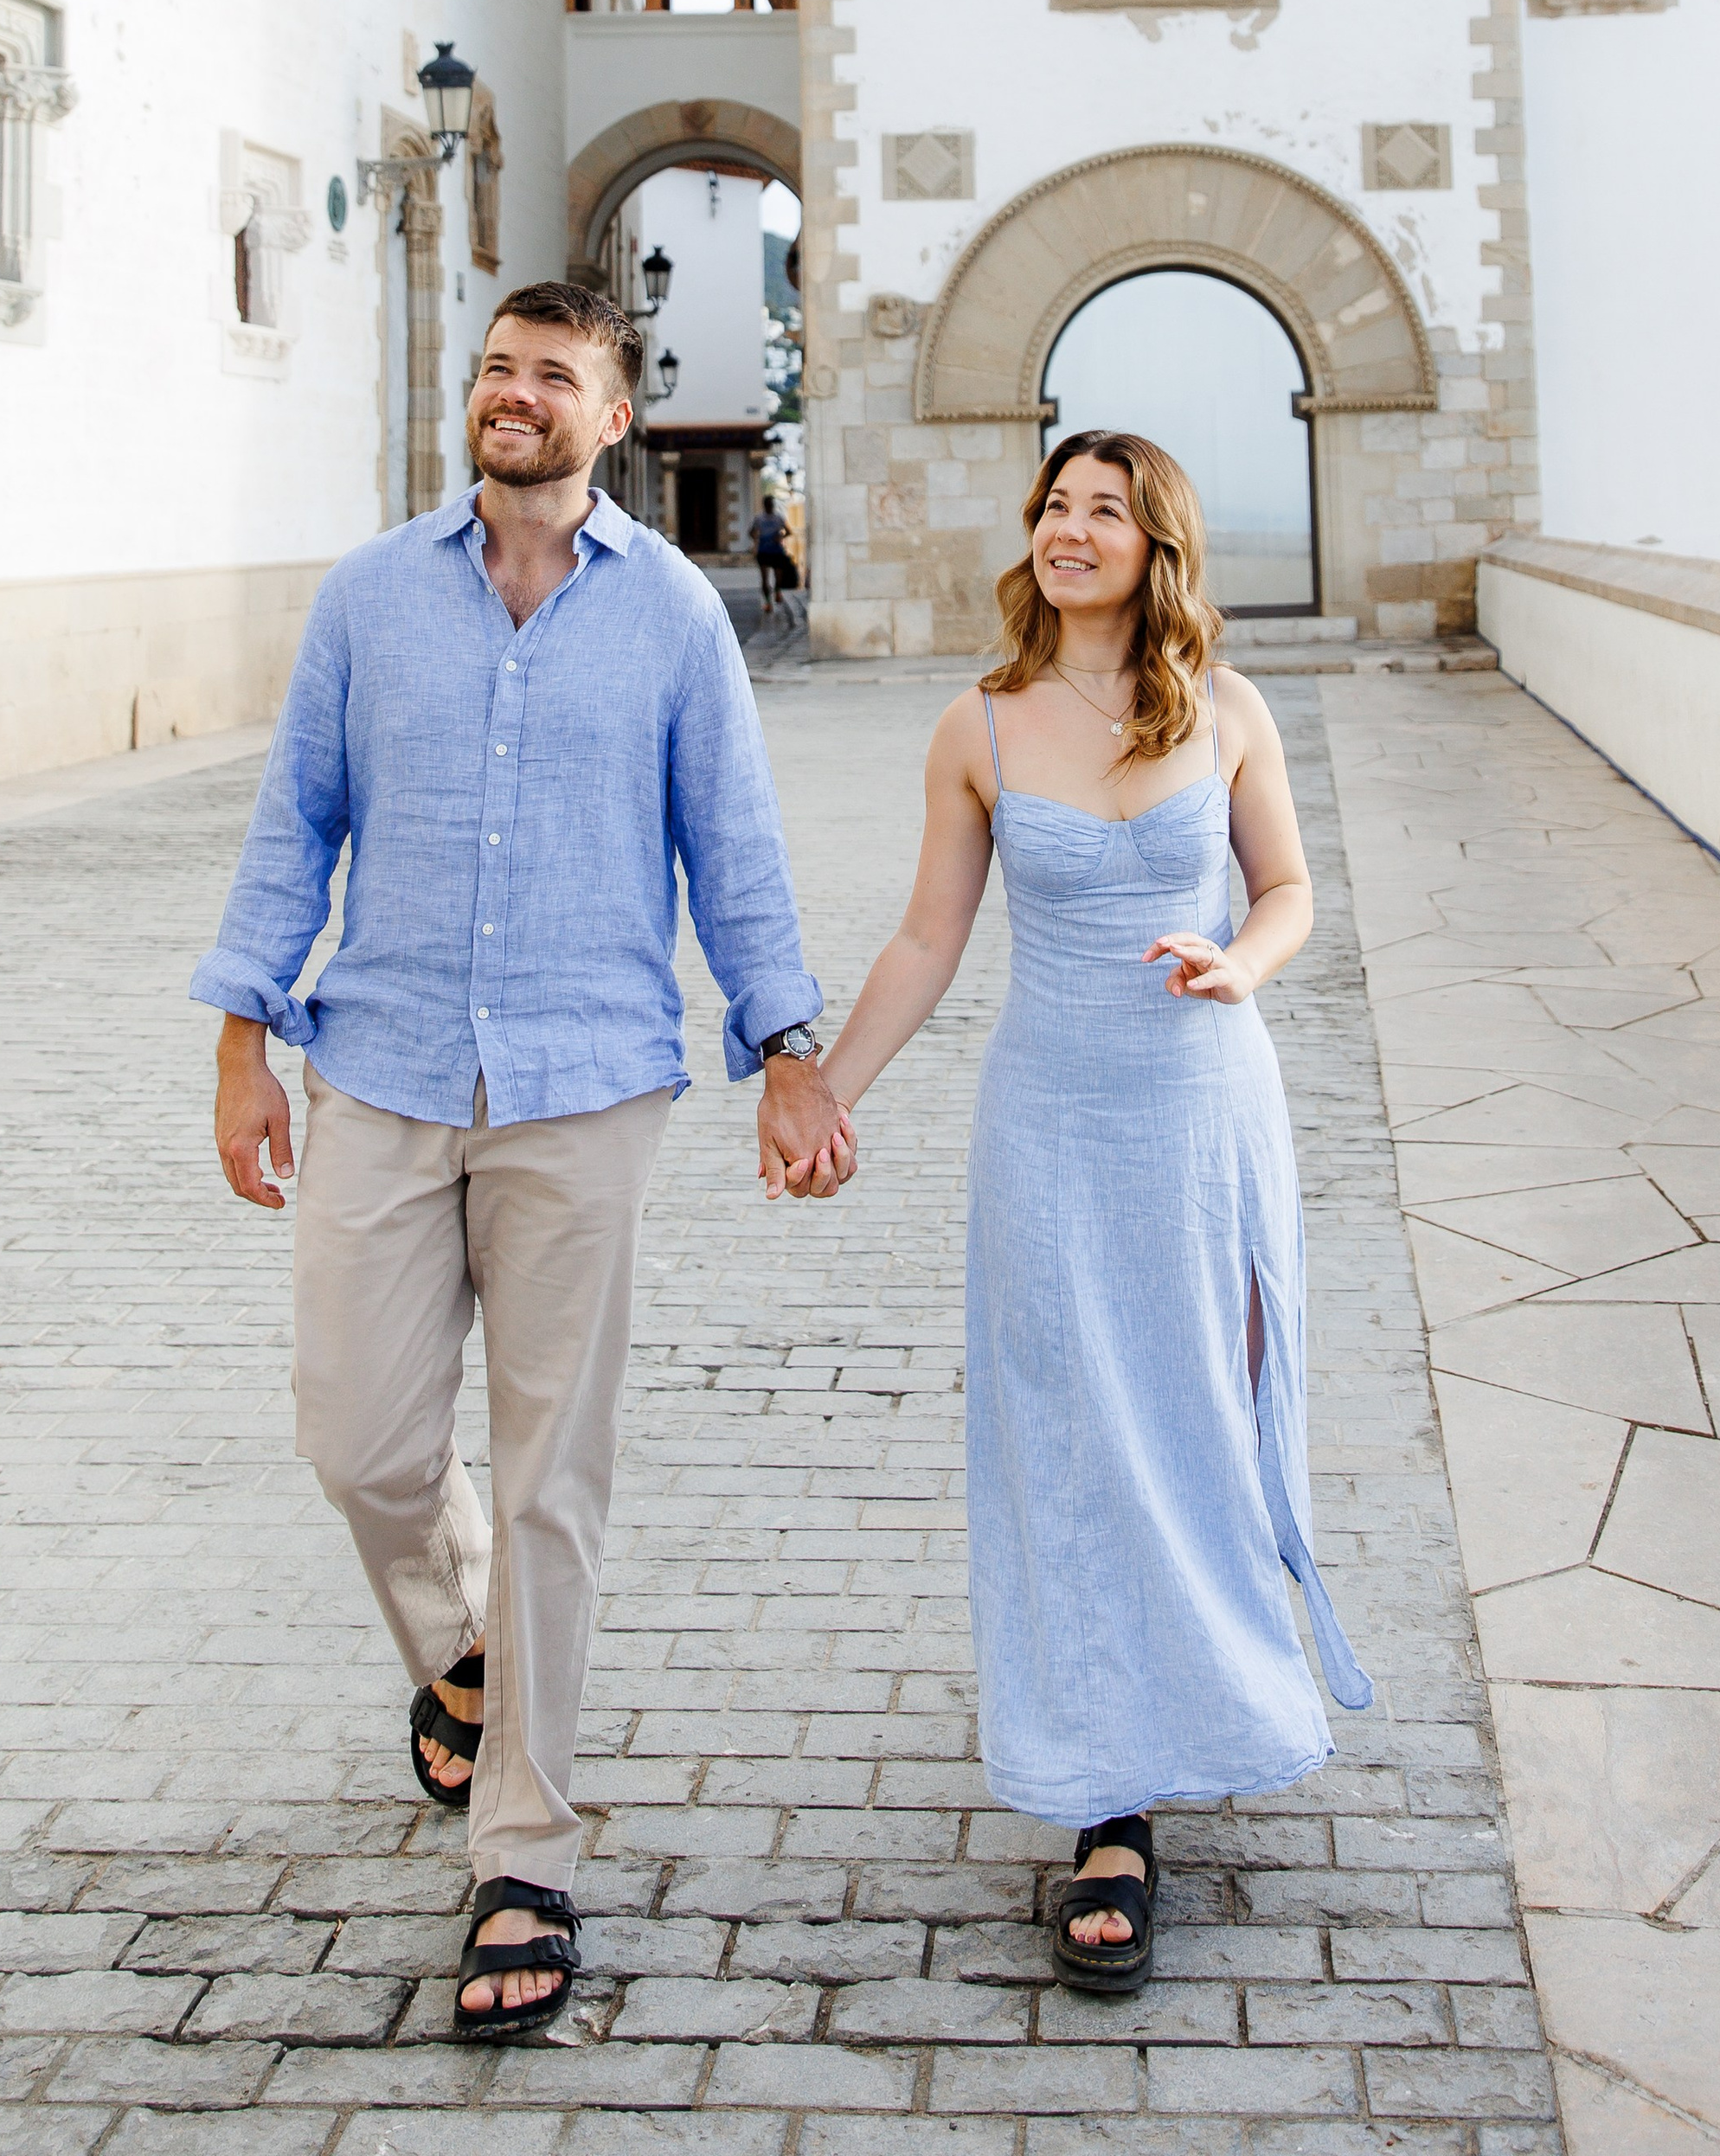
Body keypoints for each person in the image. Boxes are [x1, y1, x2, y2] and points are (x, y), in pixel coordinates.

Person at [193, 281, 851, 2040]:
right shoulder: (366, 599)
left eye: (551, 376)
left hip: (584, 1090)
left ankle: (527, 1853)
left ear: (610, 417)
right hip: (383, 1074)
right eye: (496, 369)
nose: (512, 395)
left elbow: (736, 848)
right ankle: (467, 1663)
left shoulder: (677, 625)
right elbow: (290, 827)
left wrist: (788, 1050)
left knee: (554, 1476)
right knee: (358, 1434)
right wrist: (241, 1038)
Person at [761, 427, 1371, 1991]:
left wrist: (1247, 958)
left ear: (1158, 542)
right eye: (1054, 505)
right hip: (1047, 1120)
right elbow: (924, 942)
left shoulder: (1228, 711)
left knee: (1203, 1415)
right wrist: (826, 1085)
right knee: (1071, 1439)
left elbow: (1291, 890)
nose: (1070, 529)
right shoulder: (978, 725)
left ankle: (1216, 1702)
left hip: (1202, 1112)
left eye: (1105, 509)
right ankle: (1108, 1804)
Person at [750, 494, 796, 619]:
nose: (769, 507)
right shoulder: (759, 518)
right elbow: (752, 531)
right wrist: (756, 541)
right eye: (768, 504)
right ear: (764, 505)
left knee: (778, 576)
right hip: (764, 550)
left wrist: (780, 537)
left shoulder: (778, 518)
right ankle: (768, 602)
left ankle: (777, 591)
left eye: (771, 504)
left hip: (776, 550)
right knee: (765, 578)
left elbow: (788, 531)